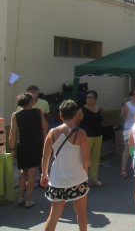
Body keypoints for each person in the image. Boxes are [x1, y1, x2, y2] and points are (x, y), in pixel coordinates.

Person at [40, 100, 89, 231]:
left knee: (54, 215)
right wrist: (85, 173)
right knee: (81, 213)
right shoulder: (81, 133)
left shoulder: (52, 132)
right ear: (76, 115)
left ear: (60, 116)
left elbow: (46, 157)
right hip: (77, 177)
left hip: (57, 179)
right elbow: (86, 159)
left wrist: (44, 174)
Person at [9, 93, 48, 208]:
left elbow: (12, 133)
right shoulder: (38, 111)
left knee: (23, 171)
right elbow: (45, 126)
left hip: (22, 144)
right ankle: (28, 200)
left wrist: (12, 149)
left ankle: (20, 197)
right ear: (30, 102)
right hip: (35, 143)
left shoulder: (15, 115)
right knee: (32, 172)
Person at [78, 90, 104, 186]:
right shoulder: (82, 110)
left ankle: (94, 179)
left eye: (91, 97)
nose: (89, 99)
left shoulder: (99, 109)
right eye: (87, 97)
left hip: (98, 136)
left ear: (95, 99)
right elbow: (76, 122)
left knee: (95, 158)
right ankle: (82, 180)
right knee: (85, 159)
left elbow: (101, 119)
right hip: (86, 137)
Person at [121, 90, 135, 179]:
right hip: (128, 128)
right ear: (130, 96)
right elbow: (123, 117)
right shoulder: (127, 105)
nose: (134, 96)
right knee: (127, 148)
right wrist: (124, 111)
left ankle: (133, 165)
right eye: (133, 94)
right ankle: (123, 168)